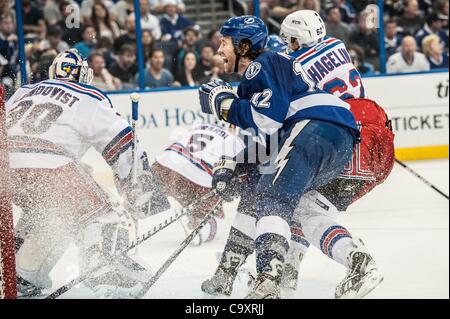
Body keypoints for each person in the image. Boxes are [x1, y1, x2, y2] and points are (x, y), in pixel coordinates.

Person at [198, 15, 359, 299]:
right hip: (336, 138)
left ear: (244, 47)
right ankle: (227, 271)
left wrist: (224, 105)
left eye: (224, 43)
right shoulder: (261, 77)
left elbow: (266, 120)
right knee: (255, 191)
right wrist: (236, 166)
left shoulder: (263, 63)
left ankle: (268, 280)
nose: (219, 51)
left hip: (316, 127)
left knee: (272, 200)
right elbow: (266, 143)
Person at [6, 49, 169, 298]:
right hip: (50, 166)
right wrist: (141, 192)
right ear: (82, 74)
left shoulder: (24, 91)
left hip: (5, 168)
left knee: (54, 215)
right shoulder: (87, 95)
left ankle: (19, 275)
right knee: (103, 212)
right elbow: (122, 141)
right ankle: (107, 274)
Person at [151, 122, 246, 246]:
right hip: (196, 179)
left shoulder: (203, 125)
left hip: (164, 165)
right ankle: (199, 230)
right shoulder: (238, 143)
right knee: (219, 219)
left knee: (147, 197)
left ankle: (131, 205)